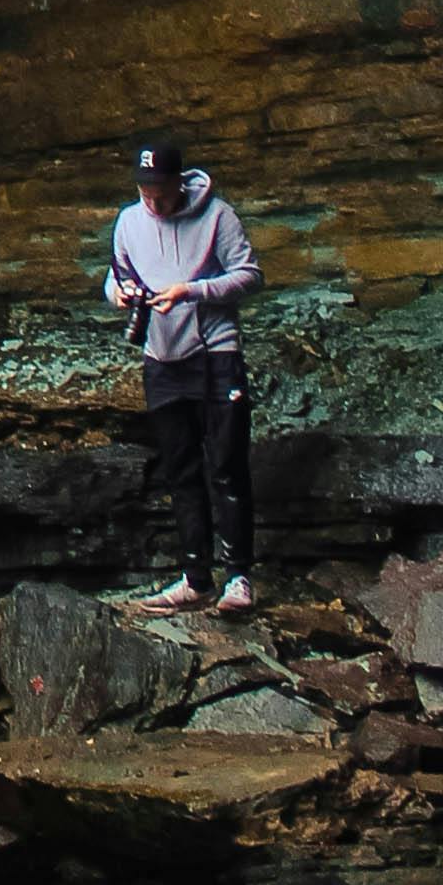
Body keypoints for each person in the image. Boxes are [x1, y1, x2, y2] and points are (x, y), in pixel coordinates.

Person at [104, 131, 261, 612]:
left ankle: (239, 578)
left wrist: (191, 291)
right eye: (144, 190)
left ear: (179, 182)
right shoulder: (129, 222)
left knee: (227, 465)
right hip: (162, 359)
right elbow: (116, 275)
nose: (152, 200)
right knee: (181, 470)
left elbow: (250, 275)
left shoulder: (218, 216)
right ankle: (196, 577)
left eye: (160, 190)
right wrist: (122, 295)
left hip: (215, 353)